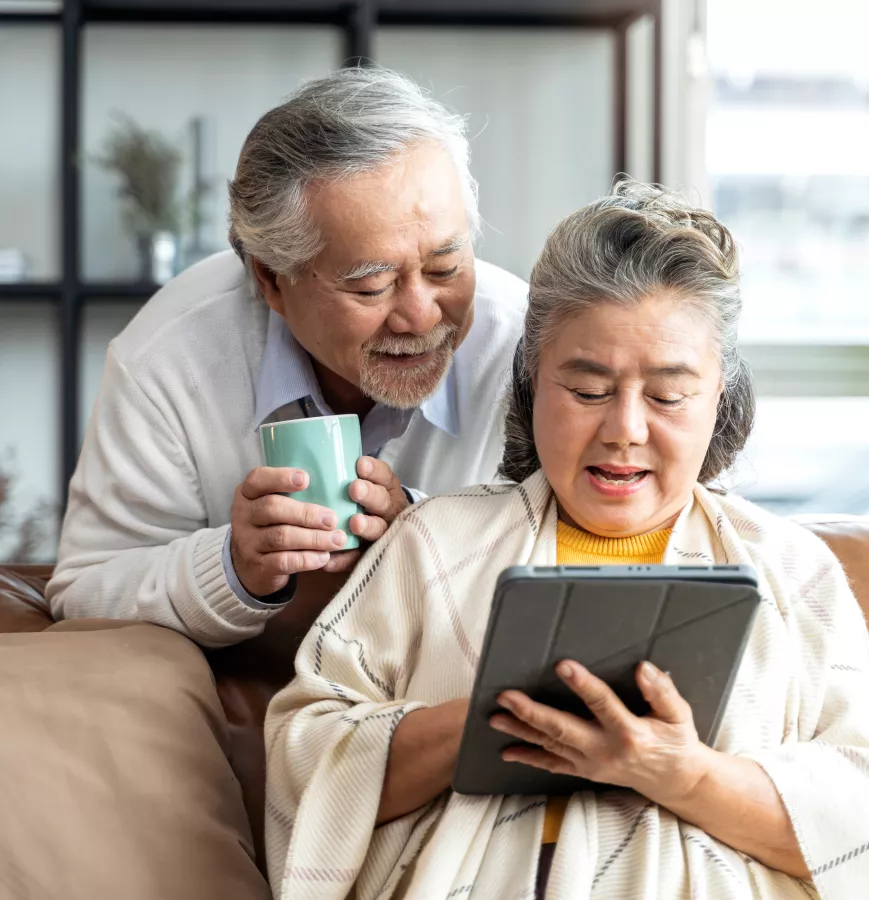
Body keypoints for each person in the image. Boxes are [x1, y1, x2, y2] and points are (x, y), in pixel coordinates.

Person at [264, 181, 869, 900]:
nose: (625, 428)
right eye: (589, 390)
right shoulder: (433, 543)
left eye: (667, 395)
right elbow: (305, 760)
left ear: (718, 393)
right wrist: (484, 716)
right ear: (535, 382)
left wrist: (682, 773)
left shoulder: (793, 572)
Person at [47, 67, 526, 646]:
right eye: (372, 286)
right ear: (271, 282)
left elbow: (584, 561)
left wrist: (431, 536)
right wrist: (232, 565)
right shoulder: (167, 356)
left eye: (446, 268)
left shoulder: (531, 345)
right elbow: (85, 588)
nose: (422, 315)